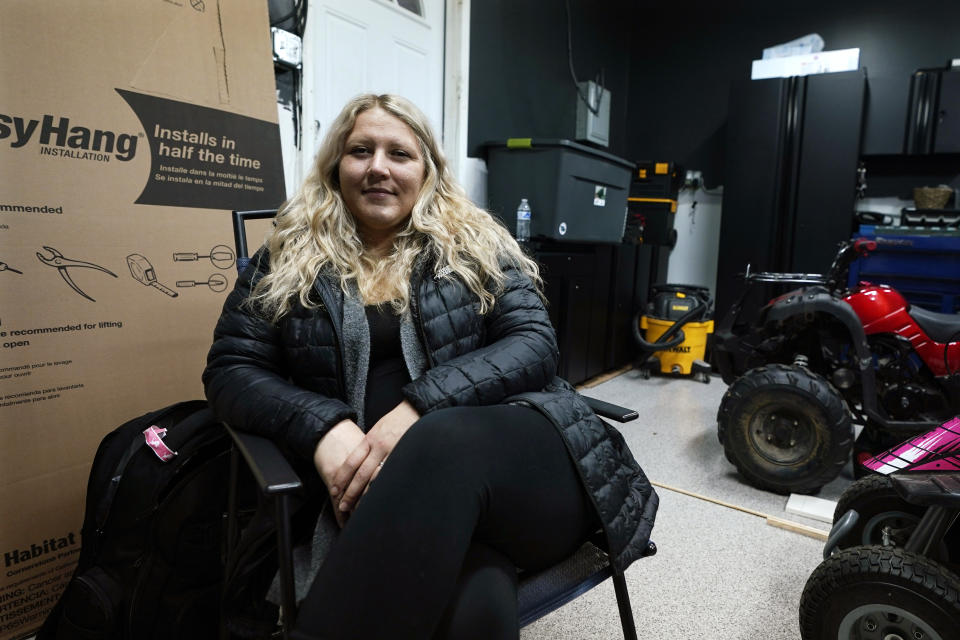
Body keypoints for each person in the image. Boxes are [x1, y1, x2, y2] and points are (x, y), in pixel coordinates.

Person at [204, 93, 658, 640]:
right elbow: (232, 369)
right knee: (477, 604)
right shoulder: (283, 258)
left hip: (522, 468)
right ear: (335, 167)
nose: (378, 166)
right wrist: (323, 429)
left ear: (428, 171)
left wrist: (418, 408)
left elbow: (534, 343)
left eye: (399, 153)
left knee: (442, 439)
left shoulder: (478, 243)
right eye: (360, 150)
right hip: (380, 500)